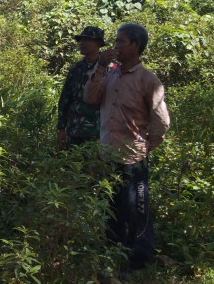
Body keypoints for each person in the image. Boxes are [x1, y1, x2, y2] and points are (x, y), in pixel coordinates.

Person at [83, 23, 170, 271]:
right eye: (116, 41)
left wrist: (147, 145)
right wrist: (99, 67)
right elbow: (90, 98)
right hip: (107, 154)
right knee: (112, 207)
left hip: (133, 157)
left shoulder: (147, 79)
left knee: (136, 209)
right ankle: (113, 252)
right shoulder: (110, 73)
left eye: (121, 41)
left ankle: (139, 259)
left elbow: (161, 120)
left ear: (136, 45)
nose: (115, 46)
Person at [57, 26, 107, 149]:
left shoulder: (110, 69)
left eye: (87, 40)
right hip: (74, 132)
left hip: (98, 134)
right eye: (81, 40)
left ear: (98, 44)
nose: (82, 43)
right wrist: (61, 128)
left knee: (94, 167)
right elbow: (65, 99)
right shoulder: (76, 68)